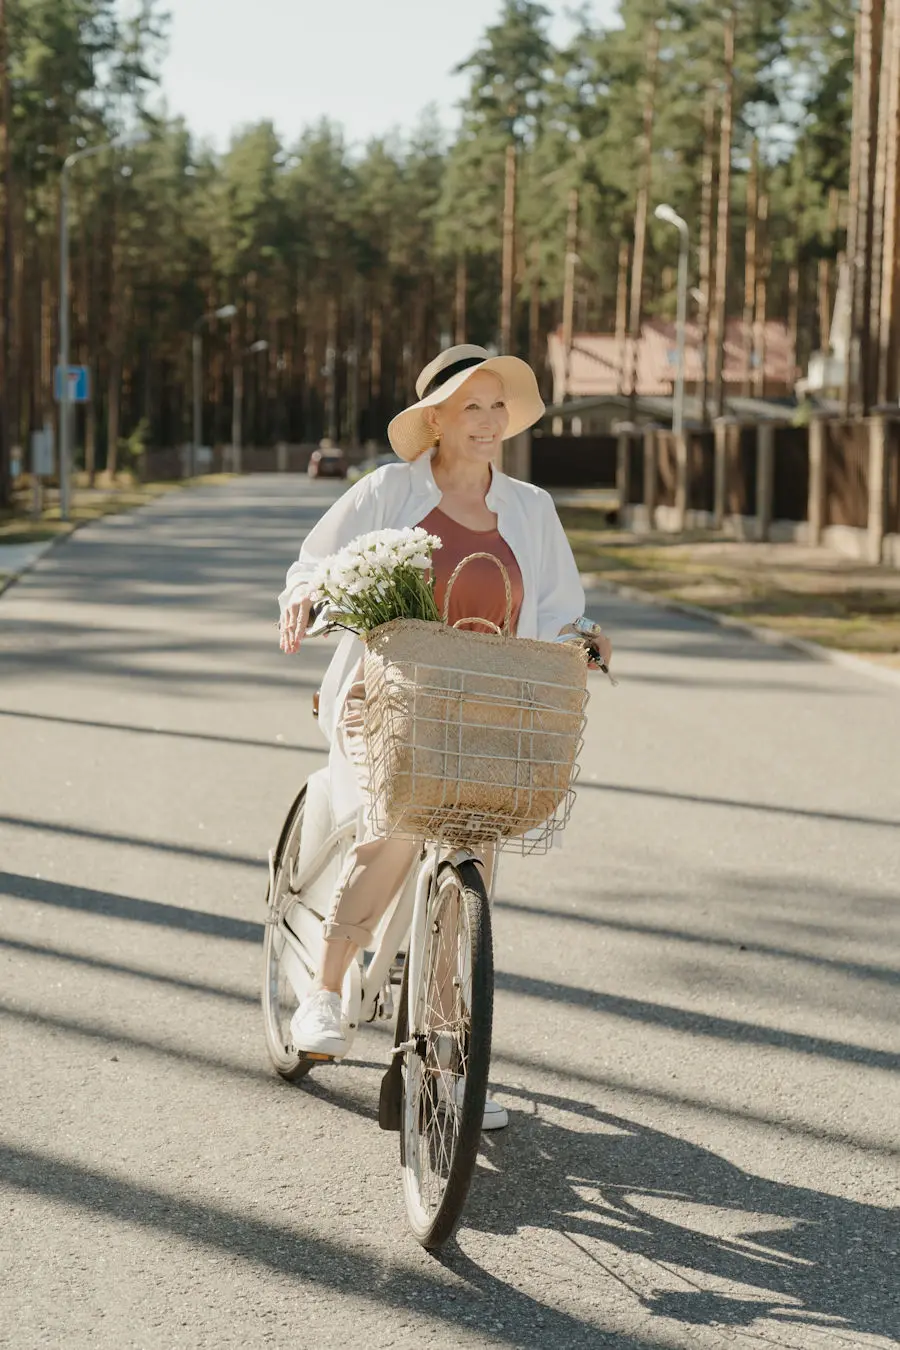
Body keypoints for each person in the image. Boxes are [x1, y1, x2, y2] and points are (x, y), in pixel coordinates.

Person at [278, 344, 612, 1130]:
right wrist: (302, 600)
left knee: (474, 869)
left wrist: (588, 637)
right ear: (437, 419)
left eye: (499, 407)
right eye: (474, 407)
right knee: (397, 831)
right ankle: (323, 992)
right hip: (386, 702)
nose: (491, 422)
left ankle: (450, 1058)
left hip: (490, 712)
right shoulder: (389, 491)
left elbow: (564, 608)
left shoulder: (530, 506)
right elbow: (314, 565)